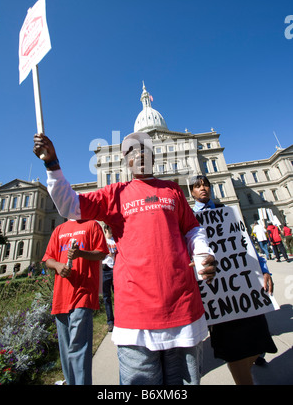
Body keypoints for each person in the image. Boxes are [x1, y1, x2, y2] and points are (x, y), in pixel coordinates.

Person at [34, 131, 216, 386]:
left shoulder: (173, 190)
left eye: (145, 149)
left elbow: (192, 229)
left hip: (182, 312)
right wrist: (52, 164)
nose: (140, 153)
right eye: (132, 150)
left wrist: (203, 253)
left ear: (154, 156)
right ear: (126, 161)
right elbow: (69, 206)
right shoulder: (115, 194)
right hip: (135, 320)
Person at [189, 175, 277, 385]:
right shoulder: (190, 217)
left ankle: (248, 371)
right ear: (191, 191)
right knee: (232, 349)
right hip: (217, 293)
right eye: (197, 186)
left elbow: (246, 244)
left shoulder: (228, 212)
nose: (203, 189)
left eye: (206, 185)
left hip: (244, 288)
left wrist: (264, 270)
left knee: (258, 343)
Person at [42, 219, 108, 385]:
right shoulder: (59, 229)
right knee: (66, 350)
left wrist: (81, 253)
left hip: (83, 293)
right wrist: (57, 266)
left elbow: (101, 252)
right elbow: (48, 258)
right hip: (61, 296)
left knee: (78, 347)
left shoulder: (92, 225)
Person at [102, 224, 117, 332]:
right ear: (106, 229)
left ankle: (120, 319)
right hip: (105, 269)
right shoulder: (102, 241)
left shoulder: (115, 240)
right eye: (111, 228)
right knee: (107, 297)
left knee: (117, 295)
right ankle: (110, 321)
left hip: (116, 268)